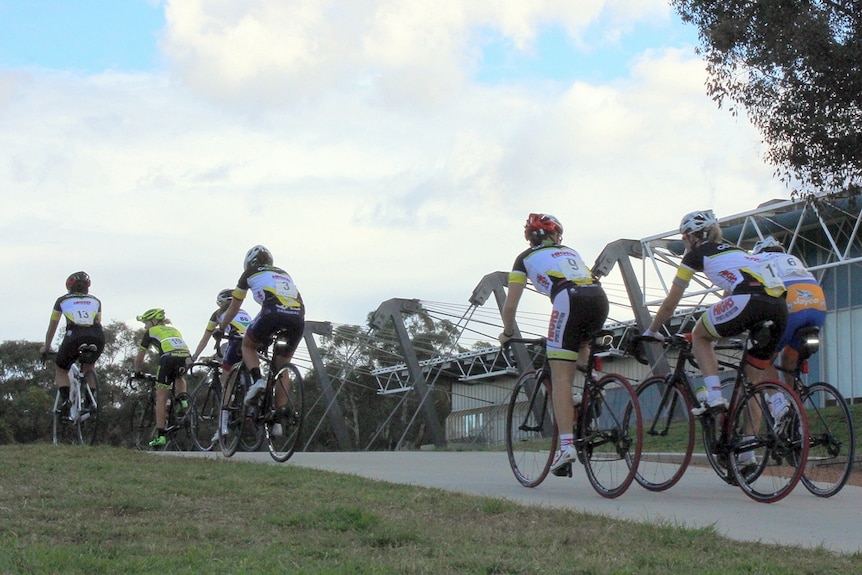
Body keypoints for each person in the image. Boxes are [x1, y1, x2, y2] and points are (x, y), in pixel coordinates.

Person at [643, 210, 788, 418]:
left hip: (749, 299)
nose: (685, 243)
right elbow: (728, 297)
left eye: (684, 238)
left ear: (693, 236)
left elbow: (671, 302)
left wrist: (652, 331)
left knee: (700, 335)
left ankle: (714, 395)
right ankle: (778, 409)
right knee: (752, 380)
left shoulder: (694, 255)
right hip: (779, 305)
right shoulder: (738, 252)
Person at [498, 214, 609, 475]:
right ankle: (592, 385)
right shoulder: (570, 251)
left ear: (529, 237)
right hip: (598, 298)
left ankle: (566, 446)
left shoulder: (523, 259)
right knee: (580, 343)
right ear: (557, 235)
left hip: (568, 299)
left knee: (560, 377)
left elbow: (510, 305)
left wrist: (507, 332)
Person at [218, 245, 305, 428]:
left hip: (272, 313)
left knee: (248, 346)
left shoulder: (249, 273)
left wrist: (222, 328)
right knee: (282, 367)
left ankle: (258, 381)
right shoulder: (283, 272)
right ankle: (278, 420)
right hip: (297, 319)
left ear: (249, 263)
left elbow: (233, 308)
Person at [751, 235, 827, 417]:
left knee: (763, 360)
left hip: (792, 304)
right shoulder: (793, 260)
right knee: (789, 360)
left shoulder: (757, 260)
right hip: (818, 303)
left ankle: (779, 406)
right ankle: (798, 411)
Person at [189, 288, 253, 440]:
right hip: (253, 344)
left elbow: (206, 338)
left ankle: (223, 426)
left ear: (220, 302)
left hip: (235, 345)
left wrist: (194, 358)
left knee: (227, 384)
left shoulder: (218, 314)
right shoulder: (244, 312)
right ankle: (247, 393)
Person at [39, 271, 105, 415]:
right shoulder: (96, 301)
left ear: (69, 285)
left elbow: (53, 326)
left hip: (75, 334)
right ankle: (90, 400)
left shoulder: (62, 300)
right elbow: (98, 321)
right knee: (89, 366)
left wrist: (47, 346)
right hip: (97, 335)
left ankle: (66, 401)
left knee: (61, 368)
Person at [133, 308, 192, 448]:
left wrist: (137, 371)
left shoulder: (151, 332)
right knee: (179, 376)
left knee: (161, 397)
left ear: (153, 321)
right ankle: (182, 400)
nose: (145, 326)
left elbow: (140, 356)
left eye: (146, 322)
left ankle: (161, 436)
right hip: (186, 357)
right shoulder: (174, 330)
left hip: (168, 359)